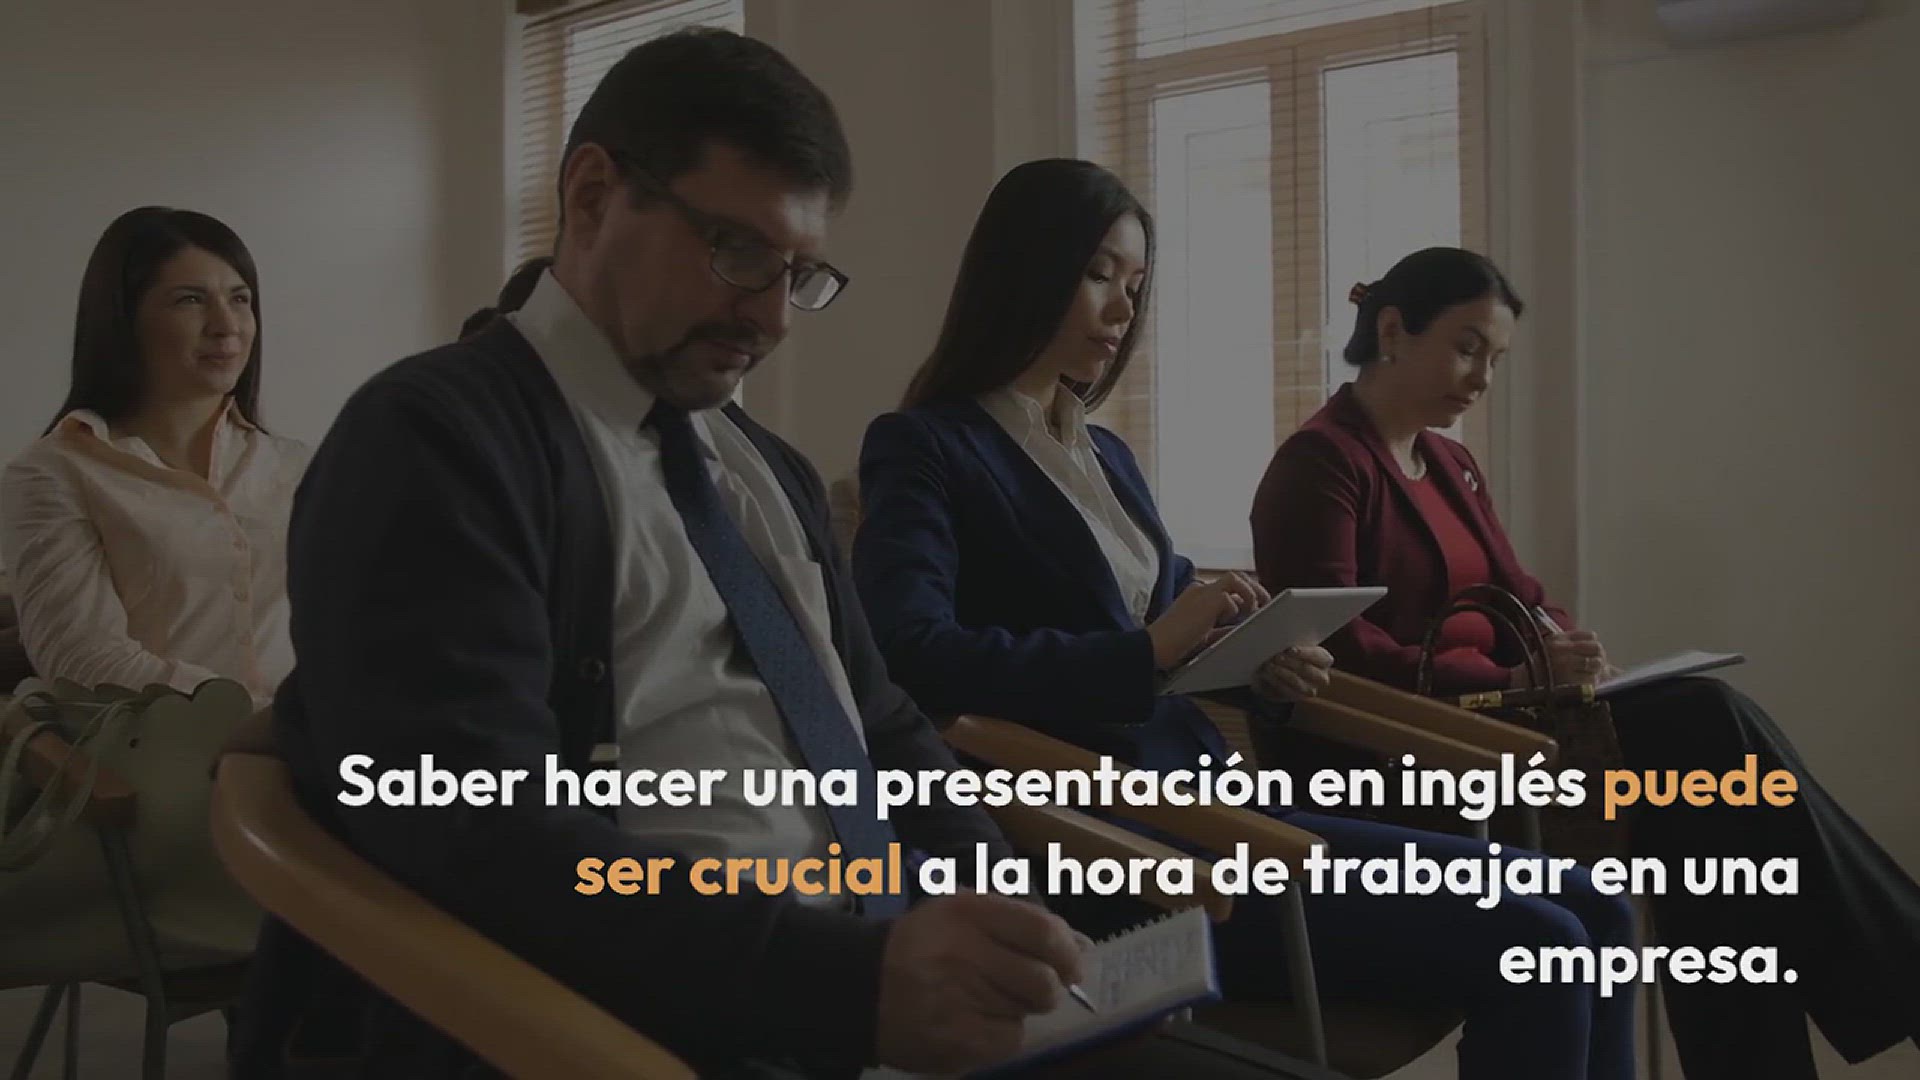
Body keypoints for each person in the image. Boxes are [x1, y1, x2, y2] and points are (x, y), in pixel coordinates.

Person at [241, 31, 1306, 1080]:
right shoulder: (438, 442)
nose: (772, 318)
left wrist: (1009, 914)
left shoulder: (764, 470)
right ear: (592, 195)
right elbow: (477, 828)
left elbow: (884, 726)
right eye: (737, 252)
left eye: (799, 274)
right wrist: (855, 986)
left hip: (866, 974)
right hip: (656, 1023)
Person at [852, 159, 1637, 1080]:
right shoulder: (927, 446)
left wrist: (1251, 651)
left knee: (1599, 906)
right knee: (1544, 941)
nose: (1123, 308)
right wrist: (1147, 651)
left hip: (1215, 799)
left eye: (1136, 284)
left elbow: (1165, 613)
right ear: (1024, 268)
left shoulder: (1103, 452)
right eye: (1099, 274)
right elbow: (911, 655)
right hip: (1115, 839)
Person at [1250, 245, 1920, 1078]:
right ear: (1392, 331)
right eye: (1466, 348)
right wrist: (1514, 680)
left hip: (1510, 731)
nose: (1482, 378)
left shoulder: (1452, 464)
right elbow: (1344, 657)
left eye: (1495, 360)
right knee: (1709, 725)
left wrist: (1568, 649)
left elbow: (1522, 596)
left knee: (1715, 828)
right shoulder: (1322, 463)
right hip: (1406, 763)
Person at [0, 207, 307, 709]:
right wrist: (261, 722)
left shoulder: (294, 466)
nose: (226, 326)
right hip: (162, 749)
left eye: (240, 299)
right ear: (124, 320)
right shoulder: (52, 474)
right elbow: (83, 660)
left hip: (314, 741)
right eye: (190, 300)